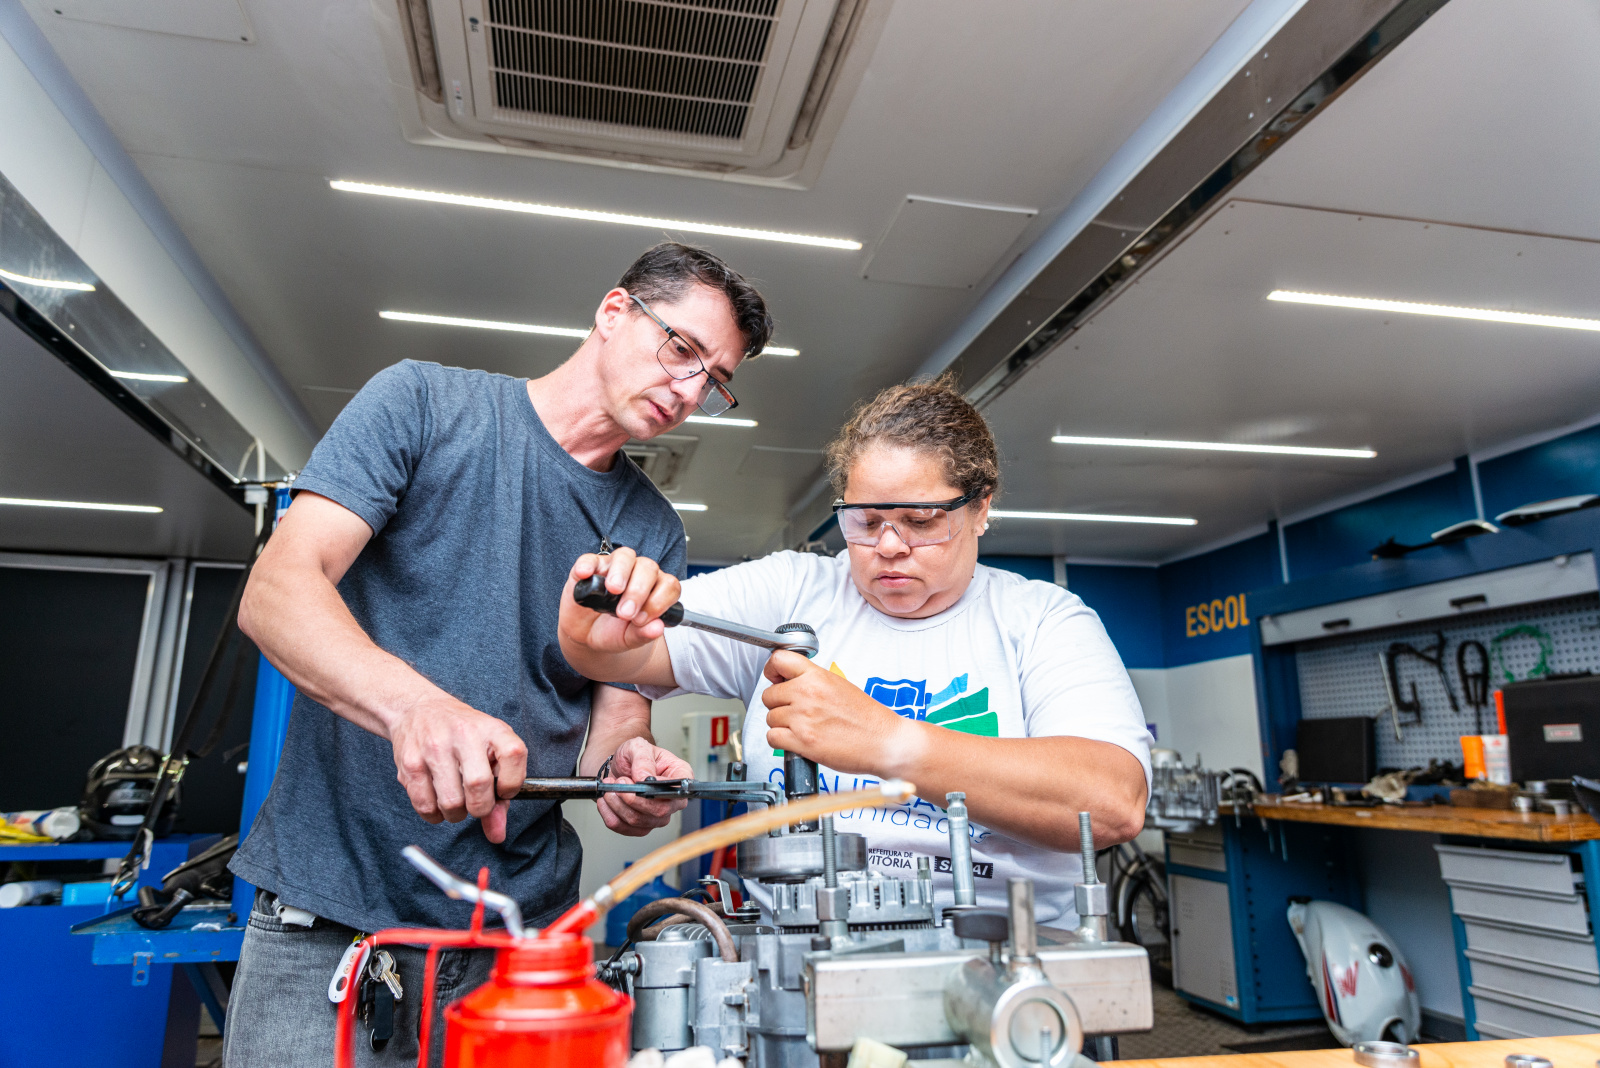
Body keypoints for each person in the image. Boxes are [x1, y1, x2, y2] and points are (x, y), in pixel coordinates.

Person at [224, 242, 773, 1066]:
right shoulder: (422, 405)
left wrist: (628, 771)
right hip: (330, 932)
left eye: (715, 379)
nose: (690, 389)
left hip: (520, 947)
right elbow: (277, 591)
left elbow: (614, 717)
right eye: (683, 350)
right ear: (614, 312)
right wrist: (418, 707)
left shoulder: (653, 527)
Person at [558, 374, 1152, 923]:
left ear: (980, 507)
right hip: (796, 960)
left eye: (920, 520)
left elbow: (1111, 803)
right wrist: (589, 629)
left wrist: (887, 743)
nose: (888, 546)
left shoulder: (1043, 620)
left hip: (1006, 959)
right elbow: (616, 655)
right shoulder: (793, 591)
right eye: (865, 521)